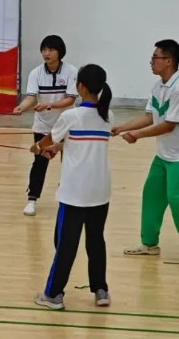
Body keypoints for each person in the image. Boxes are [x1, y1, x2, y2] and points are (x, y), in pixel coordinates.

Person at [112, 39, 179, 267]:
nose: (151, 62)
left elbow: (169, 125)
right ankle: (149, 244)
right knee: (152, 194)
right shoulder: (158, 87)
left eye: (155, 58)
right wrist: (124, 127)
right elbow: (150, 116)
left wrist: (137, 135)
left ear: (168, 61)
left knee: (177, 197)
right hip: (165, 153)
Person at [30, 64, 113, 310]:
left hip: (75, 193)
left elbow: (48, 139)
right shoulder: (108, 116)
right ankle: (101, 290)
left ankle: (53, 294)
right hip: (100, 191)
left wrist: (37, 148)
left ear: (81, 87)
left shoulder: (70, 116)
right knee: (96, 242)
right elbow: (82, 142)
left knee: (65, 244)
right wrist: (58, 147)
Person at [13, 35, 78, 216]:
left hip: (66, 125)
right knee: (40, 162)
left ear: (60, 52)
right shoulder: (36, 73)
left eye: (51, 50)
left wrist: (49, 105)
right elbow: (31, 97)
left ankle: (68, 199)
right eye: (44, 49)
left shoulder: (71, 71)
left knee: (69, 163)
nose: (46, 53)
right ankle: (32, 200)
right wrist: (21, 107)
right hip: (43, 125)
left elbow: (70, 100)